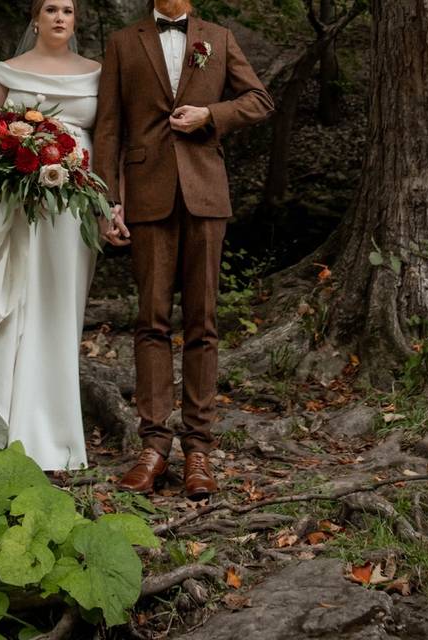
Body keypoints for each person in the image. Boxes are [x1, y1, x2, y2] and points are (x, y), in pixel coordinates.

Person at [94, 0, 274, 498]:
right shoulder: (123, 42)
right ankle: (153, 447)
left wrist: (209, 115)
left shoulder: (217, 36)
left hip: (205, 195)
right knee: (151, 321)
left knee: (203, 322)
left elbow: (259, 100)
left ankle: (199, 450)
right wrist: (109, 200)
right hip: (146, 194)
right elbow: (107, 127)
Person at [0, 0, 101, 471]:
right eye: (51, 8)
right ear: (35, 18)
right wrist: (2, 172)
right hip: (15, 202)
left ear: (75, 20)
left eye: (68, 10)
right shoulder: (6, 71)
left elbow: (110, 134)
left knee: (58, 308)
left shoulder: (97, 73)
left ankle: (54, 434)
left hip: (71, 208)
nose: (59, 16)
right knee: (11, 304)